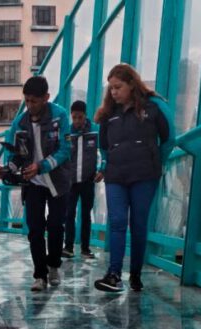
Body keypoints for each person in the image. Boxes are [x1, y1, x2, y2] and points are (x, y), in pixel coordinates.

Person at [93, 63, 174, 293]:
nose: (114, 92)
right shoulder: (108, 115)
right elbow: (105, 147)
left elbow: (169, 139)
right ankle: (114, 274)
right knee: (117, 222)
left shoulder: (154, 106)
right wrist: (105, 165)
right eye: (111, 88)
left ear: (131, 84)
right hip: (116, 175)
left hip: (144, 175)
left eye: (118, 87)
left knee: (138, 225)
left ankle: (136, 274)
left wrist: (157, 161)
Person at [0, 76, 72, 293]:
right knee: (35, 228)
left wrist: (41, 166)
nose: (30, 106)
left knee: (56, 226)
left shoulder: (60, 116)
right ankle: (40, 274)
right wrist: (7, 169)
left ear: (46, 98)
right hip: (34, 183)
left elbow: (65, 151)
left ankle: (54, 264)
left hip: (58, 181)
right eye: (27, 101)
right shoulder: (20, 122)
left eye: (35, 101)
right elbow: (16, 154)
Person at [64, 100, 98, 260]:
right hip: (70, 182)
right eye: (74, 117)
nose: (77, 121)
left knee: (86, 214)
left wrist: (101, 169)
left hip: (88, 181)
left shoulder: (94, 132)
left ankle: (85, 248)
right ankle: (68, 247)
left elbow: (105, 152)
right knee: (69, 214)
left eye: (80, 117)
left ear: (85, 116)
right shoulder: (67, 134)